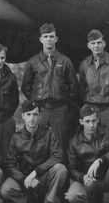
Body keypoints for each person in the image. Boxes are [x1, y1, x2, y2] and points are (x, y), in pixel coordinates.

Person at [21, 23, 79, 162]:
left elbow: (73, 87)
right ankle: (41, 176)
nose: (48, 39)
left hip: (60, 110)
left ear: (56, 39)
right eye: (45, 37)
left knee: (60, 144)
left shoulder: (65, 61)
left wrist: (62, 101)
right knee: (40, 144)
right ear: (41, 39)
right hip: (41, 111)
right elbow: (26, 87)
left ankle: (61, 176)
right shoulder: (33, 62)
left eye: (51, 37)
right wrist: (37, 102)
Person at [0, 100, 68, 203]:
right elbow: (10, 164)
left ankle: (49, 202)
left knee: (61, 169)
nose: (32, 118)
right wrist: (23, 179)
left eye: (35, 114)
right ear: (23, 116)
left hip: (43, 176)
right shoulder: (16, 137)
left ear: (40, 116)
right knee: (6, 189)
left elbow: (57, 156)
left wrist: (37, 172)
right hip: (25, 178)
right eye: (28, 114)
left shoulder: (48, 134)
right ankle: (28, 202)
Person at [78, 29, 109, 141]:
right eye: (93, 43)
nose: (96, 46)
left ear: (104, 44)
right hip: (91, 110)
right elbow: (82, 88)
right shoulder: (84, 64)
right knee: (94, 142)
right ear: (89, 45)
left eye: (99, 42)